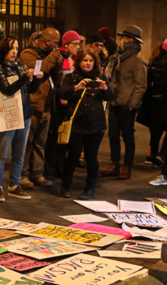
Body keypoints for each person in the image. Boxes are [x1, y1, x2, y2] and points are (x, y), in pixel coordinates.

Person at [0, 36, 43, 202]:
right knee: (2, 153)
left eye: (16, 48)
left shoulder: (21, 66)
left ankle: (14, 185)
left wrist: (37, 79)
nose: (15, 52)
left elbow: (30, 89)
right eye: (11, 48)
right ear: (4, 50)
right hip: (6, 114)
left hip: (24, 113)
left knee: (19, 153)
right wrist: (25, 77)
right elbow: (7, 89)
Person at [59, 50, 115, 200]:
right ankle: (65, 186)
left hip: (96, 124)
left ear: (95, 63)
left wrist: (104, 89)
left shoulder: (101, 78)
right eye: (85, 60)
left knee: (92, 157)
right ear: (79, 62)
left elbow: (111, 97)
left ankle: (90, 188)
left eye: (90, 60)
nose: (88, 63)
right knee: (72, 157)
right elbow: (62, 93)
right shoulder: (71, 77)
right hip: (76, 123)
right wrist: (77, 87)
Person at [100, 25, 147, 180]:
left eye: (122, 38)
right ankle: (115, 165)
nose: (120, 40)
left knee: (127, 136)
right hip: (114, 102)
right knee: (113, 135)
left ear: (129, 40)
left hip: (127, 105)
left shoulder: (137, 60)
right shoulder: (117, 57)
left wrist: (132, 103)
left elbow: (141, 85)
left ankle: (127, 167)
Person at [19, 27, 64, 188]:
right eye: (56, 43)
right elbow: (39, 70)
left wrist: (58, 64)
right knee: (27, 143)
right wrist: (52, 58)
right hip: (32, 105)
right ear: (47, 42)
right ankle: (22, 175)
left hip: (46, 106)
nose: (58, 46)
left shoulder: (49, 56)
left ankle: (37, 174)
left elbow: (56, 80)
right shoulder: (27, 54)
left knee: (40, 143)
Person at [45, 30, 81, 180]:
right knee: (56, 136)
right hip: (59, 102)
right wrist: (61, 95)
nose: (78, 47)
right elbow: (55, 81)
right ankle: (53, 168)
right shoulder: (60, 59)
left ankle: (62, 167)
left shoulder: (78, 60)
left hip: (72, 102)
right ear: (66, 44)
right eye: (75, 44)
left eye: (79, 44)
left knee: (67, 136)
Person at [141, 40, 167, 167]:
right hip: (166, 100)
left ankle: (152, 155)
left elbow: (148, 81)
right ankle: (161, 155)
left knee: (156, 130)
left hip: (154, 99)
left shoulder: (154, 61)